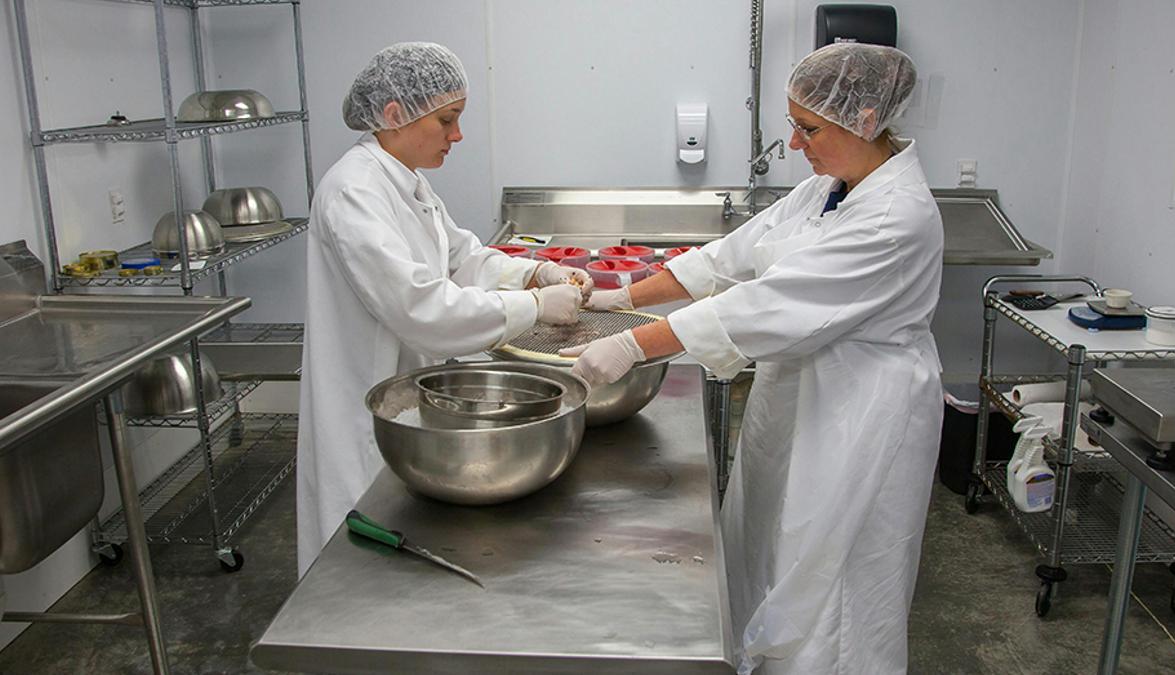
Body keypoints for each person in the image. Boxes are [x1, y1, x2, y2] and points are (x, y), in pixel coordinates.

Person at [563, 43, 943, 673]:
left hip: (862, 411)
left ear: (868, 118)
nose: (795, 144)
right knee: (772, 543)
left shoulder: (894, 217)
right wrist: (618, 297)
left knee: (836, 582)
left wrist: (629, 343)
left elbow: (758, 307)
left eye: (808, 127)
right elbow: (727, 259)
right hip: (801, 394)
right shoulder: (830, 187)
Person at [297, 42, 591, 576]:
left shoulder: (406, 181)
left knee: (403, 556)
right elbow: (419, 308)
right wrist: (532, 306)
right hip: (364, 405)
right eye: (447, 120)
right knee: (357, 569)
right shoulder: (353, 192)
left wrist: (532, 271)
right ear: (394, 114)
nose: (457, 136)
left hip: (408, 396)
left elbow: (459, 256)